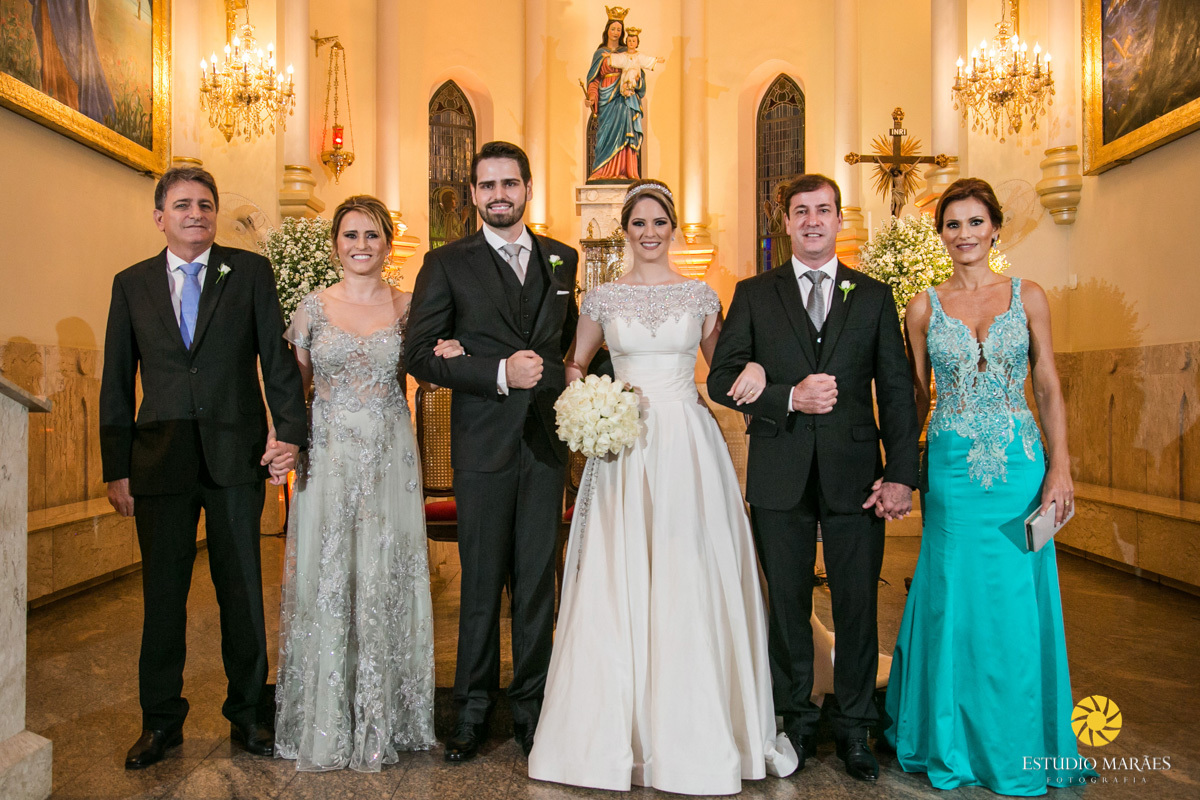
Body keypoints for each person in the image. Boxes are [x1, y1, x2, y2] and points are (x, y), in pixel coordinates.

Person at [528, 180, 798, 795]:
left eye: (659, 222)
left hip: (686, 443)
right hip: (623, 446)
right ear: (625, 230)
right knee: (617, 572)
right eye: (639, 223)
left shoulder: (700, 295)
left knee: (688, 570)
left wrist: (757, 367)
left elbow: (725, 368)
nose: (649, 232)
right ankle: (611, 738)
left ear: (672, 228)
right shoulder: (602, 298)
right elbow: (575, 363)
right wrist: (588, 402)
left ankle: (695, 731)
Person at [707, 174, 920, 782]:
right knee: (787, 607)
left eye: (823, 210)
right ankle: (795, 721)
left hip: (857, 476)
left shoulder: (873, 296)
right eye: (800, 211)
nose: (812, 221)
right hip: (780, 473)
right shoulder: (754, 293)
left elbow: (896, 392)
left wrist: (901, 474)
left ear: (839, 219)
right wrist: (787, 396)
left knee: (857, 605)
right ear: (786, 223)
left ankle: (855, 727)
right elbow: (722, 378)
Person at [884, 178, 1093, 794]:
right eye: (953, 224)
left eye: (976, 222)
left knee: (1015, 599)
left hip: (1020, 467)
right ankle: (949, 735)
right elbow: (915, 398)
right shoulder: (922, 308)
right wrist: (901, 470)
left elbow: (1047, 383)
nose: (965, 234)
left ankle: (1018, 739)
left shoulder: (1029, 296)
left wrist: (1060, 466)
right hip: (951, 471)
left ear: (995, 228)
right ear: (941, 234)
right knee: (953, 595)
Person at [100, 166, 307, 769]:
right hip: (159, 462)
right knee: (162, 597)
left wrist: (289, 434)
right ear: (159, 217)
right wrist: (117, 467)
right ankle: (160, 722)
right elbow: (117, 380)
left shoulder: (249, 272)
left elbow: (276, 361)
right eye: (183, 205)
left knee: (242, 591)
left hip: (235, 458)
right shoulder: (131, 284)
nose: (196, 214)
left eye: (206, 205)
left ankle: (248, 714)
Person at [405, 141, 580, 762]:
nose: (499, 194)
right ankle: (472, 710)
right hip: (482, 444)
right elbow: (419, 354)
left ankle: (533, 709)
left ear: (528, 188)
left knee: (537, 584)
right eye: (488, 185)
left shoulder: (562, 258)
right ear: (475, 194)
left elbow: (569, 347)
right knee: (480, 583)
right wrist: (497, 371)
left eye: (510, 183)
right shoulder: (446, 263)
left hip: (545, 443)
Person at [274, 195, 456, 771]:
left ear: (387, 244)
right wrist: (282, 443)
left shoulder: (410, 307)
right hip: (328, 456)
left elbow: (433, 362)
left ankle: (388, 715)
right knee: (330, 575)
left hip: (388, 455)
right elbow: (294, 389)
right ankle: (327, 719)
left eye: (372, 235)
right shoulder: (311, 308)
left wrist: (450, 349)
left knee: (385, 572)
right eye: (351, 235)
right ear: (336, 243)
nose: (361, 245)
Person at [585, 15, 643, 181]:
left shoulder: (628, 52)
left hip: (624, 98)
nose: (616, 32)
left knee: (625, 132)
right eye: (613, 29)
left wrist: (635, 80)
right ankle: (602, 170)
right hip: (606, 99)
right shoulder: (599, 54)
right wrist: (592, 96)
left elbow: (639, 72)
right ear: (607, 30)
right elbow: (594, 79)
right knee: (605, 133)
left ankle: (626, 170)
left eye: (619, 29)